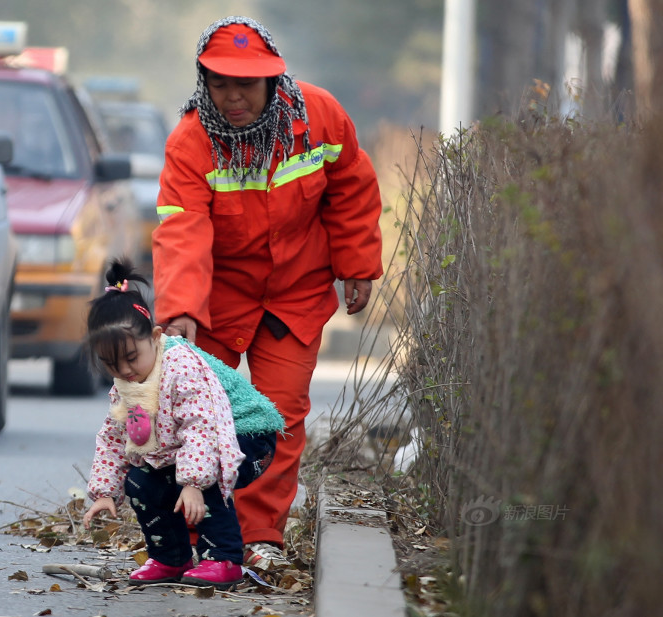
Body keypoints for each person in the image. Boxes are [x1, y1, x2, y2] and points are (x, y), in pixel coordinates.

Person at [151, 16, 384, 570]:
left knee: (278, 417)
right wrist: (181, 308)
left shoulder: (319, 117)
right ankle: (195, 533)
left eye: (246, 85)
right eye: (220, 85)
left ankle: (259, 537)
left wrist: (357, 265)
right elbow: (181, 225)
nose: (233, 98)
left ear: (273, 83)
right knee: (197, 415)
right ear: (203, 83)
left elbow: (352, 186)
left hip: (294, 295)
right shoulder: (191, 141)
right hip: (219, 297)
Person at [81, 259, 283, 589]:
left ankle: (224, 558)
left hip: (248, 436)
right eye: (111, 364)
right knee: (141, 481)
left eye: (132, 358)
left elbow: (201, 426)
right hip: (197, 446)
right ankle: (169, 558)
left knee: (204, 472)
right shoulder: (127, 384)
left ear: (156, 337)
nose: (126, 371)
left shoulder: (180, 365)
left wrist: (192, 481)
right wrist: (105, 492)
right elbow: (116, 437)